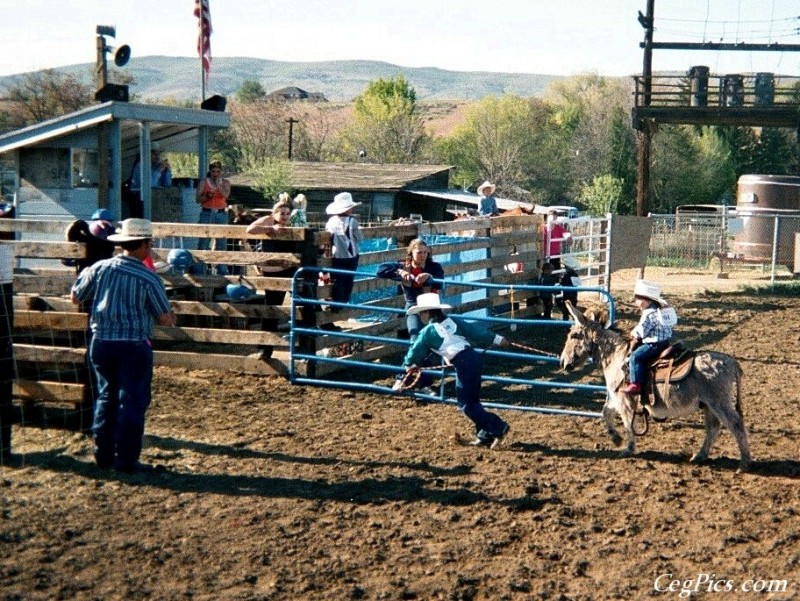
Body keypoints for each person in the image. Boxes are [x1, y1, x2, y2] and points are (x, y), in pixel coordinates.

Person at [70, 218, 176, 473]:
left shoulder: (100, 268)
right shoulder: (148, 278)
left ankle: (102, 454)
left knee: (106, 396)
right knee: (132, 399)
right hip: (133, 344)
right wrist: (171, 316)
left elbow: (76, 296)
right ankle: (126, 458)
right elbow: (165, 319)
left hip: (102, 341)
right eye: (149, 243)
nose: (150, 248)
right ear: (142, 245)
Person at [399, 293, 511, 447]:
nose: (420, 316)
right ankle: (485, 435)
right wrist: (497, 339)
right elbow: (474, 331)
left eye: (421, 313)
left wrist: (409, 365)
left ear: (427, 312)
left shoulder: (427, 332)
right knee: (472, 400)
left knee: (466, 404)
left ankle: (497, 426)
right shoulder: (452, 321)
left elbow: (415, 351)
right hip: (473, 358)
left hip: (463, 362)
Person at [245, 200, 297, 359]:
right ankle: (265, 348)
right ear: (274, 213)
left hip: (288, 267)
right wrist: (270, 229)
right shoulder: (269, 220)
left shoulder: (291, 225)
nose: (285, 216)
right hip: (273, 271)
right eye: (282, 213)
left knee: (302, 301)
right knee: (272, 308)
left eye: (288, 213)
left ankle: (311, 340)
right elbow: (250, 229)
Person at [622, 280, 678, 395]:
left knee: (635, 357)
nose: (636, 303)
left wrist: (633, 333)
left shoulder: (648, 313)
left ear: (645, 300)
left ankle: (635, 384)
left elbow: (642, 331)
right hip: (664, 342)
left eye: (637, 300)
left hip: (654, 344)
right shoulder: (660, 310)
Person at [324, 192, 362, 312]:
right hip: (352, 256)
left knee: (338, 281)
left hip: (337, 255)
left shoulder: (331, 221)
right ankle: (343, 302)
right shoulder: (353, 222)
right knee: (348, 280)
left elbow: (327, 236)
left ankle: (336, 304)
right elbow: (360, 238)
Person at [196, 160, 231, 274]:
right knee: (204, 242)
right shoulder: (204, 182)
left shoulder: (225, 182)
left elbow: (226, 195)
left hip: (221, 213)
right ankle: (201, 269)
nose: (215, 174)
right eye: (213, 171)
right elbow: (197, 199)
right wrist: (206, 195)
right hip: (207, 212)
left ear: (221, 172)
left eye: (218, 171)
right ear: (210, 172)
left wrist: (218, 185)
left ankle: (222, 269)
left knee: (221, 242)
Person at [128, 146, 172, 218]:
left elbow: (167, 184)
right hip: (140, 201)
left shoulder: (156, 166)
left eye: (158, 154)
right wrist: (159, 170)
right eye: (154, 154)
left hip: (155, 201)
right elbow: (149, 185)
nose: (157, 157)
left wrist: (167, 171)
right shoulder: (140, 166)